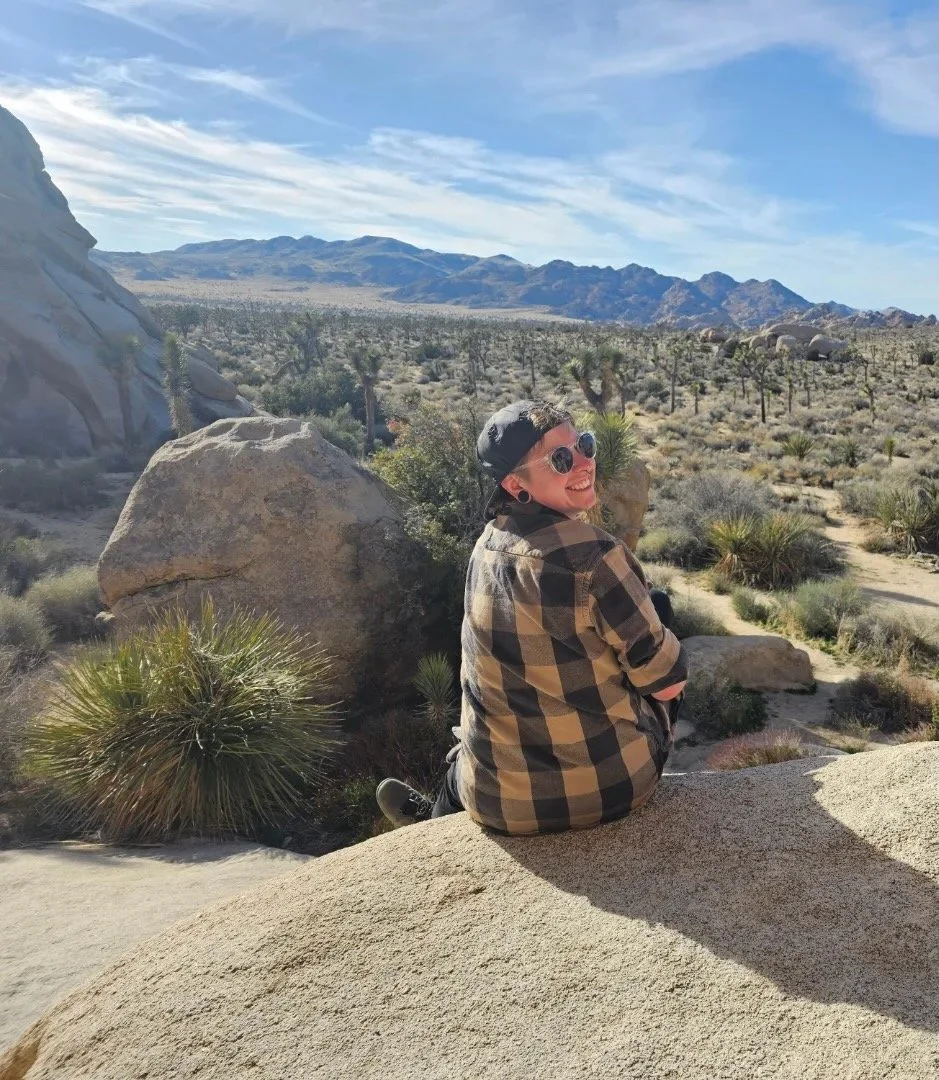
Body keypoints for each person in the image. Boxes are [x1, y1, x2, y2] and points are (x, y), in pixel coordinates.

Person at [376, 400, 688, 835]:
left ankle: (433, 825)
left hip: (496, 803)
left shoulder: (485, 546)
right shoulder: (597, 557)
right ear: (514, 483)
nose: (583, 463)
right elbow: (669, 684)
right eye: (561, 459)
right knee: (659, 619)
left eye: (584, 444)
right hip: (614, 789)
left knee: (463, 759)